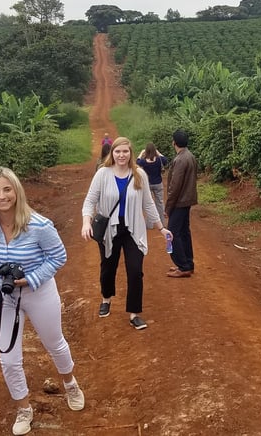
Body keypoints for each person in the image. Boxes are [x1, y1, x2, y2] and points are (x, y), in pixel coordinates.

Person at [0, 167, 85, 435]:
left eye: (7, 189)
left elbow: (58, 257)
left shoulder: (39, 225)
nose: (2, 196)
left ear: (17, 191)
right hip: (4, 297)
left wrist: (30, 278)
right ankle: (24, 408)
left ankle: (69, 383)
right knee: (8, 358)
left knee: (54, 343)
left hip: (39, 292)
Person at [81, 137, 171, 330]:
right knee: (108, 268)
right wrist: (86, 222)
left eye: (125, 152)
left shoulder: (139, 175)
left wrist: (161, 227)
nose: (121, 155)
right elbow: (90, 201)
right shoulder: (102, 174)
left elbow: (148, 203)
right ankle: (106, 299)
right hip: (109, 230)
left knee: (135, 271)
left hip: (133, 229)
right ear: (112, 153)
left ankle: (134, 313)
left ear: (131, 153)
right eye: (118, 152)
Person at [165, 129, 198, 278]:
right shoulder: (190, 156)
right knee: (184, 232)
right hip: (187, 200)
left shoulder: (179, 160)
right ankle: (187, 264)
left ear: (174, 142)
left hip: (179, 202)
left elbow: (175, 186)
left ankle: (183, 265)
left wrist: (168, 207)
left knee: (172, 233)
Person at [136, 142, 168, 224]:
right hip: (158, 183)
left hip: (148, 184)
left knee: (149, 204)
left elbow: (137, 162)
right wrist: (158, 152)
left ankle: (149, 224)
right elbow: (165, 160)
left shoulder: (143, 162)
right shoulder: (159, 160)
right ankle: (162, 222)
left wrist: (141, 153)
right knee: (160, 202)